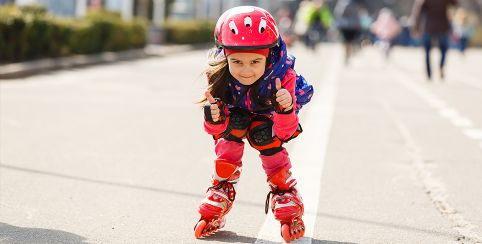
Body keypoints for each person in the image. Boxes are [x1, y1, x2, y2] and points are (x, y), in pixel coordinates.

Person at [193, 6, 314, 242]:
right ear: (224, 55)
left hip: (270, 120)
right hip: (236, 118)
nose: (245, 71)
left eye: (255, 61)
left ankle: (283, 189)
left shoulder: (283, 76)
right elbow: (215, 132)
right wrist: (213, 117)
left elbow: (285, 132)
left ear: (269, 55)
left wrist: (285, 108)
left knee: (264, 134)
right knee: (233, 126)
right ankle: (222, 185)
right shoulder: (218, 73)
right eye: (236, 61)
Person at [411, 0, 458, 80]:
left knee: (427, 51)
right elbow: (455, 4)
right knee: (444, 49)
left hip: (429, 27)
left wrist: (415, 27)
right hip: (443, 26)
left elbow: (418, 12)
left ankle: (429, 72)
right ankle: (441, 65)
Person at [334, 0, 363, 65]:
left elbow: (339, 13)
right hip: (350, 25)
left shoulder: (344, 2)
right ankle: (348, 54)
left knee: (348, 42)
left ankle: (347, 55)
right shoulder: (353, 2)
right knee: (349, 42)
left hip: (347, 25)